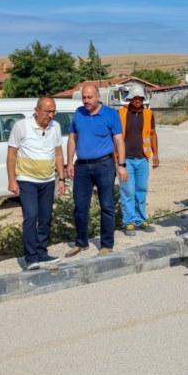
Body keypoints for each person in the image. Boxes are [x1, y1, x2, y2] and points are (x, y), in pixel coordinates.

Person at [66, 83, 128, 257]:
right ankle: (81, 242)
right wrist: (69, 162)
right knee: (79, 206)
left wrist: (121, 165)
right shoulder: (78, 113)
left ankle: (106, 244)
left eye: (89, 97)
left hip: (105, 165)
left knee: (107, 205)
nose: (86, 101)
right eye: (84, 97)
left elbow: (119, 141)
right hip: (82, 167)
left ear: (98, 97)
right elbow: (72, 139)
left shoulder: (111, 114)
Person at [7, 96, 66, 270]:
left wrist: (61, 179)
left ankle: (42, 253)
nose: (50, 115)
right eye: (47, 111)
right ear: (37, 110)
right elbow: (11, 154)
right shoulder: (21, 126)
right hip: (27, 180)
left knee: (46, 218)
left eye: (53, 111)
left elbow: (59, 153)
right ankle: (31, 257)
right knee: (31, 216)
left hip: (48, 180)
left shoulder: (56, 127)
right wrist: (12, 179)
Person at [117, 84, 159, 237]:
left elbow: (153, 134)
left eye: (140, 97)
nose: (137, 100)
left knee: (141, 190)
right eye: (135, 97)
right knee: (128, 190)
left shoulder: (149, 114)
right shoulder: (120, 113)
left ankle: (141, 220)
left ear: (143, 98)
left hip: (142, 159)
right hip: (125, 160)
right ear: (130, 98)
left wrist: (155, 154)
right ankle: (129, 222)